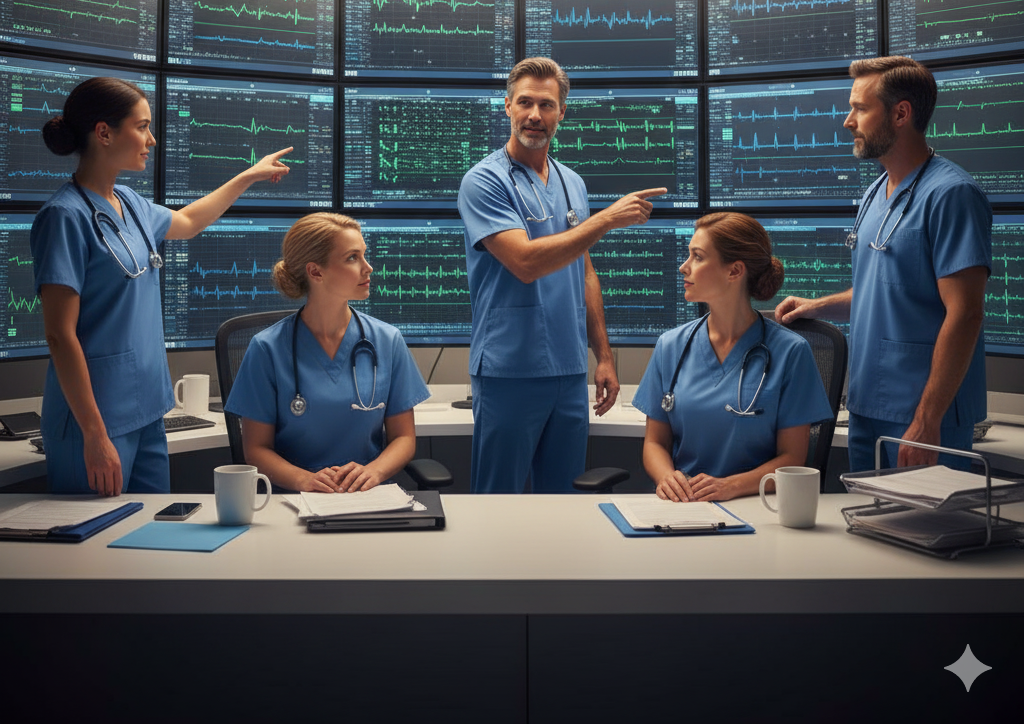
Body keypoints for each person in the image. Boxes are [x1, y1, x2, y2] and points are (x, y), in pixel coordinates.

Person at [32, 77, 292, 497]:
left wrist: (249, 175)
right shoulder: (64, 216)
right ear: (104, 133)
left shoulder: (130, 204)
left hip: (148, 411)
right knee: (97, 536)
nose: (151, 140)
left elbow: (187, 222)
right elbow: (60, 336)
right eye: (142, 127)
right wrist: (95, 435)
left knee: (153, 532)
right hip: (94, 422)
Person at [457, 56, 667, 494]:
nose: (535, 115)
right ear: (508, 106)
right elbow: (525, 263)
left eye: (547, 105)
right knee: (497, 503)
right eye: (525, 102)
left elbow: (584, 271)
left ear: (561, 113)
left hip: (569, 371)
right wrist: (606, 220)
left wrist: (603, 356)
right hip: (509, 371)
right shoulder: (484, 181)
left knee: (564, 501)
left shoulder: (572, 182)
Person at [776, 56, 991, 472]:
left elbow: (966, 313)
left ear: (900, 114)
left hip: (923, 418)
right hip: (868, 409)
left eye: (860, 108)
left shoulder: (951, 195)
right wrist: (817, 307)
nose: (847, 121)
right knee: (864, 515)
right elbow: (887, 290)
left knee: (921, 515)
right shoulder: (876, 193)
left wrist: (927, 420)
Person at [633, 213, 833, 502]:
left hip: (755, 505)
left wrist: (730, 486)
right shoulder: (670, 346)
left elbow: (792, 459)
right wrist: (667, 478)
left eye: (697, 257)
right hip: (685, 506)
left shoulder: (791, 352)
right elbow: (655, 443)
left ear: (735, 271)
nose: (683, 267)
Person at [224, 213, 430, 493]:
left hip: (367, 497)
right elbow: (256, 449)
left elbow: (404, 438)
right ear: (316, 272)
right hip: (295, 500)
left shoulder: (387, 341)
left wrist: (373, 472)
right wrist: (304, 480)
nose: (368, 268)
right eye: (352, 258)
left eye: (364, 255)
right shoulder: (267, 348)